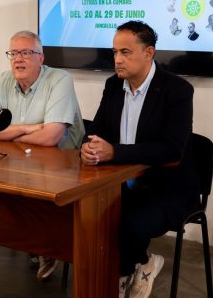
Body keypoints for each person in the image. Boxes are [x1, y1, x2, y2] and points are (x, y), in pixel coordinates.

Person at [81, 21, 196, 298]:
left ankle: (134, 268)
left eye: (125, 52)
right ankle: (134, 265)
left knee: (129, 222)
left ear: (149, 53)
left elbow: (172, 149)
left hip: (167, 186)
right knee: (89, 217)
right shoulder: (112, 85)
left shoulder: (177, 90)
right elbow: (97, 131)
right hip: (119, 182)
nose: (117, 60)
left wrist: (115, 152)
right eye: (114, 52)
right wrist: (89, 146)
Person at [0, 30, 84, 281]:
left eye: (26, 52)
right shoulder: (5, 80)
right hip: (19, 163)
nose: (18, 59)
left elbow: (51, 137)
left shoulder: (59, 79)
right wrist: (28, 129)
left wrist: (7, 133)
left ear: (41, 58)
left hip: (63, 167)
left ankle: (48, 244)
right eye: (13, 53)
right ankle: (35, 241)